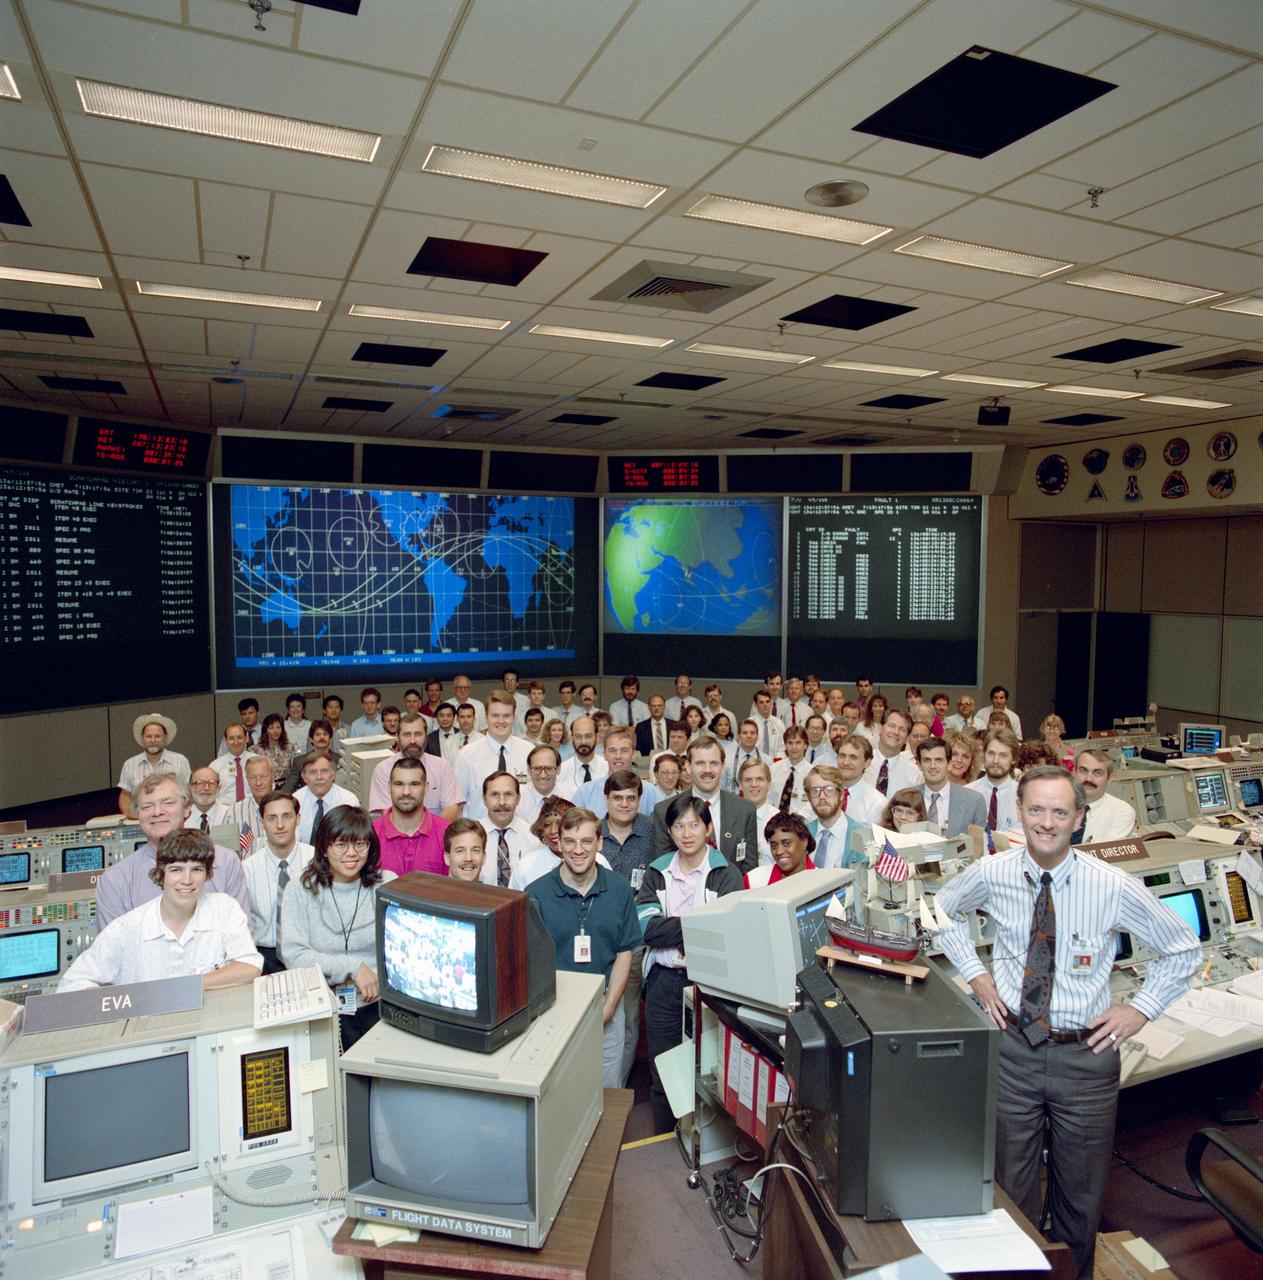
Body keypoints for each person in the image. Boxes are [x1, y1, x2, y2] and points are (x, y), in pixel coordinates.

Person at [936, 766, 1199, 1278]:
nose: (1047, 822)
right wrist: (974, 974)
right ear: (1019, 812)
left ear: (1080, 819)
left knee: (1081, 1194)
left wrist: (1140, 1008)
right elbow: (941, 912)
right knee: (1011, 1188)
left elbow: (1182, 947)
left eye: (1061, 812)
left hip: (1087, 1057)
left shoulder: (1112, 884)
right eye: (1036, 809)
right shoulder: (993, 872)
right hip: (1014, 1050)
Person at [637, 794, 744, 1132]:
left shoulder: (727, 873)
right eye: (679, 826)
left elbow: (725, 932)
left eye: (694, 824)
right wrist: (696, 926)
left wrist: (676, 924)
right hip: (664, 982)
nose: (686, 833)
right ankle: (660, 1144)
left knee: (709, 1068)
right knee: (663, 1068)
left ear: (708, 828)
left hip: (708, 984)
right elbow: (646, 928)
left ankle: (706, 1143)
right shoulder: (657, 872)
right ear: (670, 831)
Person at [60, 830, 262, 992]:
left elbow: (249, 966)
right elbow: (72, 984)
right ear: (161, 873)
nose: (187, 880)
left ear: (208, 874)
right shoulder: (128, 928)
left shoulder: (224, 908)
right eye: (176, 870)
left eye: (197, 870)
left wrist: (183, 986)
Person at [527, 808, 640, 1089]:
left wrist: (609, 1009)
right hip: (553, 1015)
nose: (578, 850)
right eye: (570, 842)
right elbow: (530, 962)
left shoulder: (619, 889)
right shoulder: (536, 894)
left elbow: (624, 953)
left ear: (600, 843)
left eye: (587, 842)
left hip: (605, 1009)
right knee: (558, 1094)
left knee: (607, 1092)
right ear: (559, 844)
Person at [280, 805, 395, 1050]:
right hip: (322, 1010)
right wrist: (352, 967)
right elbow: (295, 955)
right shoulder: (299, 890)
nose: (351, 853)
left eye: (360, 844)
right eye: (341, 844)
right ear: (324, 847)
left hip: (381, 1008)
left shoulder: (387, 885)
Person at [96, 774, 250, 931]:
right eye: (147, 806)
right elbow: (113, 950)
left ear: (188, 809)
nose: (157, 812)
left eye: (167, 803)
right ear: (138, 815)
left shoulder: (225, 862)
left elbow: (240, 938)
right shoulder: (115, 880)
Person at [600, 770, 654, 1086]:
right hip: (597, 937)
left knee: (630, 1016)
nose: (624, 803)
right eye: (617, 798)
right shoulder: (593, 832)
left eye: (630, 798)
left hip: (634, 939)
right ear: (606, 800)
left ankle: (616, 1086)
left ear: (639, 799)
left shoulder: (651, 831)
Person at [651, 735, 758, 874]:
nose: (707, 770)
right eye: (700, 763)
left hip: (732, 892)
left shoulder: (745, 809)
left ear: (723, 766)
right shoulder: (664, 810)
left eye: (714, 763)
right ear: (688, 767)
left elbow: (749, 869)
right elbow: (662, 869)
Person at [242, 791, 313, 974]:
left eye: (286, 816)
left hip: (311, 953)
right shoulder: (247, 869)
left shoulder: (318, 861)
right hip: (265, 959)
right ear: (261, 822)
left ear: (297, 819)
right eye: (272, 818)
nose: (280, 825)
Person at [366, 712, 464, 818]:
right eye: (407, 734)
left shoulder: (442, 767)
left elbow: (452, 809)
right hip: (398, 833)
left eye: (418, 734)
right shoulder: (383, 769)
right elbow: (388, 814)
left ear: (426, 736)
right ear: (397, 737)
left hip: (436, 833)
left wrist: (428, 833)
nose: (412, 741)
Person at [455, 691, 532, 818]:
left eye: (506, 715)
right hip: (479, 833)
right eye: (495, 715)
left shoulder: (529, 752)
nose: (501, 721)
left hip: (520, 833)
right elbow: (458, 805)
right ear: (486, 718)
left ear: (514, 717)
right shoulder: (467, 755)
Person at [374, 756, 450, 876]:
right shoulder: (371, 834)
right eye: (399, 784)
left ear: (426, 787)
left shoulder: (447, 832)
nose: (406, 792)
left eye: (414, 784)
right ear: (389, 787)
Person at [117, 712, 191, 818]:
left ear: (165, 737)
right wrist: (130, 815)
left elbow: (188, 794)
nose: (153, 740)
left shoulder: (180, 761)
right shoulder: (129, 764)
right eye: (148, 736)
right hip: (140, 821)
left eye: (157, 736)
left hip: (172, 819)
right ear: (142, 738)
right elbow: (125, 795)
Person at [477, 771, 542, 886]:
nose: (502, 802)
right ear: (484, 800)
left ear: (518, 799)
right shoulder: (471, 835)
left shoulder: (533, 837)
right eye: (494, 795)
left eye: (508, 794)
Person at [918, 736, 987, 836]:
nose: (959, 760)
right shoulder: (907, 796)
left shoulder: (975, 800)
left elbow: (978, 845)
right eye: (927, 760)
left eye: (938, 760)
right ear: (919, 764)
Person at [804, 764, 864, 870]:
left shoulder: (861, 836)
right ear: (809, 797)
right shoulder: (802, 834)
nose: (822, 796)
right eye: (815, 791)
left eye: (829, 790)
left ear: (841, 795)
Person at [294, 749, 357, 845]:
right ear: (304, 777)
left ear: (333, 774)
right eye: (312, 772)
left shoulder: (348, 801)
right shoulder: (295, 801)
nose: (319, 777)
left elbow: (355, 839)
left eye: (324, 771)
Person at [1074, 749, 1137, 842]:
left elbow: (1102, 854)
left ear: (1110, 778)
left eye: (1098, 773)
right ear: (1074, 773)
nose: (1089, 779)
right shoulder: (1053, 804)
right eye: (1083, 771)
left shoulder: (1122, 811)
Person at [969, 728, 1022, 831]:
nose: (995, 761)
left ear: (1013, 759)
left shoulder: (1023, 795)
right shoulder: (968, 792)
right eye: (991, 753)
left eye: (1003, 755)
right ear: (983, 754)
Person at [746, 812, 816, 888]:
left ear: (804, 842)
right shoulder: (755, 880)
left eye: (787, 843)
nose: (779, 851)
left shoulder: (822, 882)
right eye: (773, 845)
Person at [865, 707, 922, 797]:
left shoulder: (914, 774)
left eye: (902, 729)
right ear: (880, 729)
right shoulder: (861, 763)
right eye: (891, 726)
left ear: (907, 738)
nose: (896, 732)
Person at [518, 742, 575, 825]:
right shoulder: (518, 797)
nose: (543, 775)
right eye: (537, 769)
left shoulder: (572, 795)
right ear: (529, 770)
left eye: (548, 768)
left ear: (558, 769)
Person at [228, 755, 277, 851]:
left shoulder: (288, 807)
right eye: (253, 778)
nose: (258, 783)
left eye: (263, 777)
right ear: (247, 779)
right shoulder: (234, 811)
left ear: (273, 776)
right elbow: (228, 852)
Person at [834, 734, 884, 824]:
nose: (845, 762)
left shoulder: (877, 803)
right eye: (842, 756)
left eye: (853, 757)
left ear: (866, 763)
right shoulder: (823, 792)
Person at [737, 759, 778, 863]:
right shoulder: (729, 819)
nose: (754, 784)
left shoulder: (780, 821)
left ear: (769, 784)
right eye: (748, 780)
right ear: (740, 785)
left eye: (760, 779)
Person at [209, 723, 261, 805]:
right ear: (225, 741)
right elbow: (211, 794)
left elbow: (269, 788)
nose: (236, 742)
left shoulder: (259, 762)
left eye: (240, 737)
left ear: (247, 738)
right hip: (225, 811)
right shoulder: (215, 766)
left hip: (254, 809)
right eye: (231, 738)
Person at [769, 725, 812, 816]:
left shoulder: (813, 773)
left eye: (798, 743)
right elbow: (768, 798)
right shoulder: (773, 769)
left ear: (805, 745)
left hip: (801, 824)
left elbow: (812, 804)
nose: (794, 747)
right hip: (775, 822)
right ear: (785, 745)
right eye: (790, 743)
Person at [558, 715, 606, 791]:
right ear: (572, 738)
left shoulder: (607, 768)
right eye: (578, 737)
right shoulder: (562, 771)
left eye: (588, 736)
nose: (583, 742)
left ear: (597, 737)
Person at [186, 765, 234, 831]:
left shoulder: (230, 814)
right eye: (200, 783)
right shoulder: (181, 816)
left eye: (211, 783)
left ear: (219, 788)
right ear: (190, 787)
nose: (206, 788)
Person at [257, 713, 294, 787]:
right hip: (265, 787)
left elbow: (293, 773)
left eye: (278, 727)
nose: (275, 731)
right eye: (271, 728)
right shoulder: (255, 750)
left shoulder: (289, 748)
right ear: (266, 731)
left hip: (286, 788)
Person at [750, 688, 785, 757]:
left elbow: (783, 746)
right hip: (755, 762)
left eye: (767, 701)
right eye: (761, 702)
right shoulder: (749, 724)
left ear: (771, 702)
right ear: (755, 705)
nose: (765, 705)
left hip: (775, 763)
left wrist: (777, 760)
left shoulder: (779, 723)